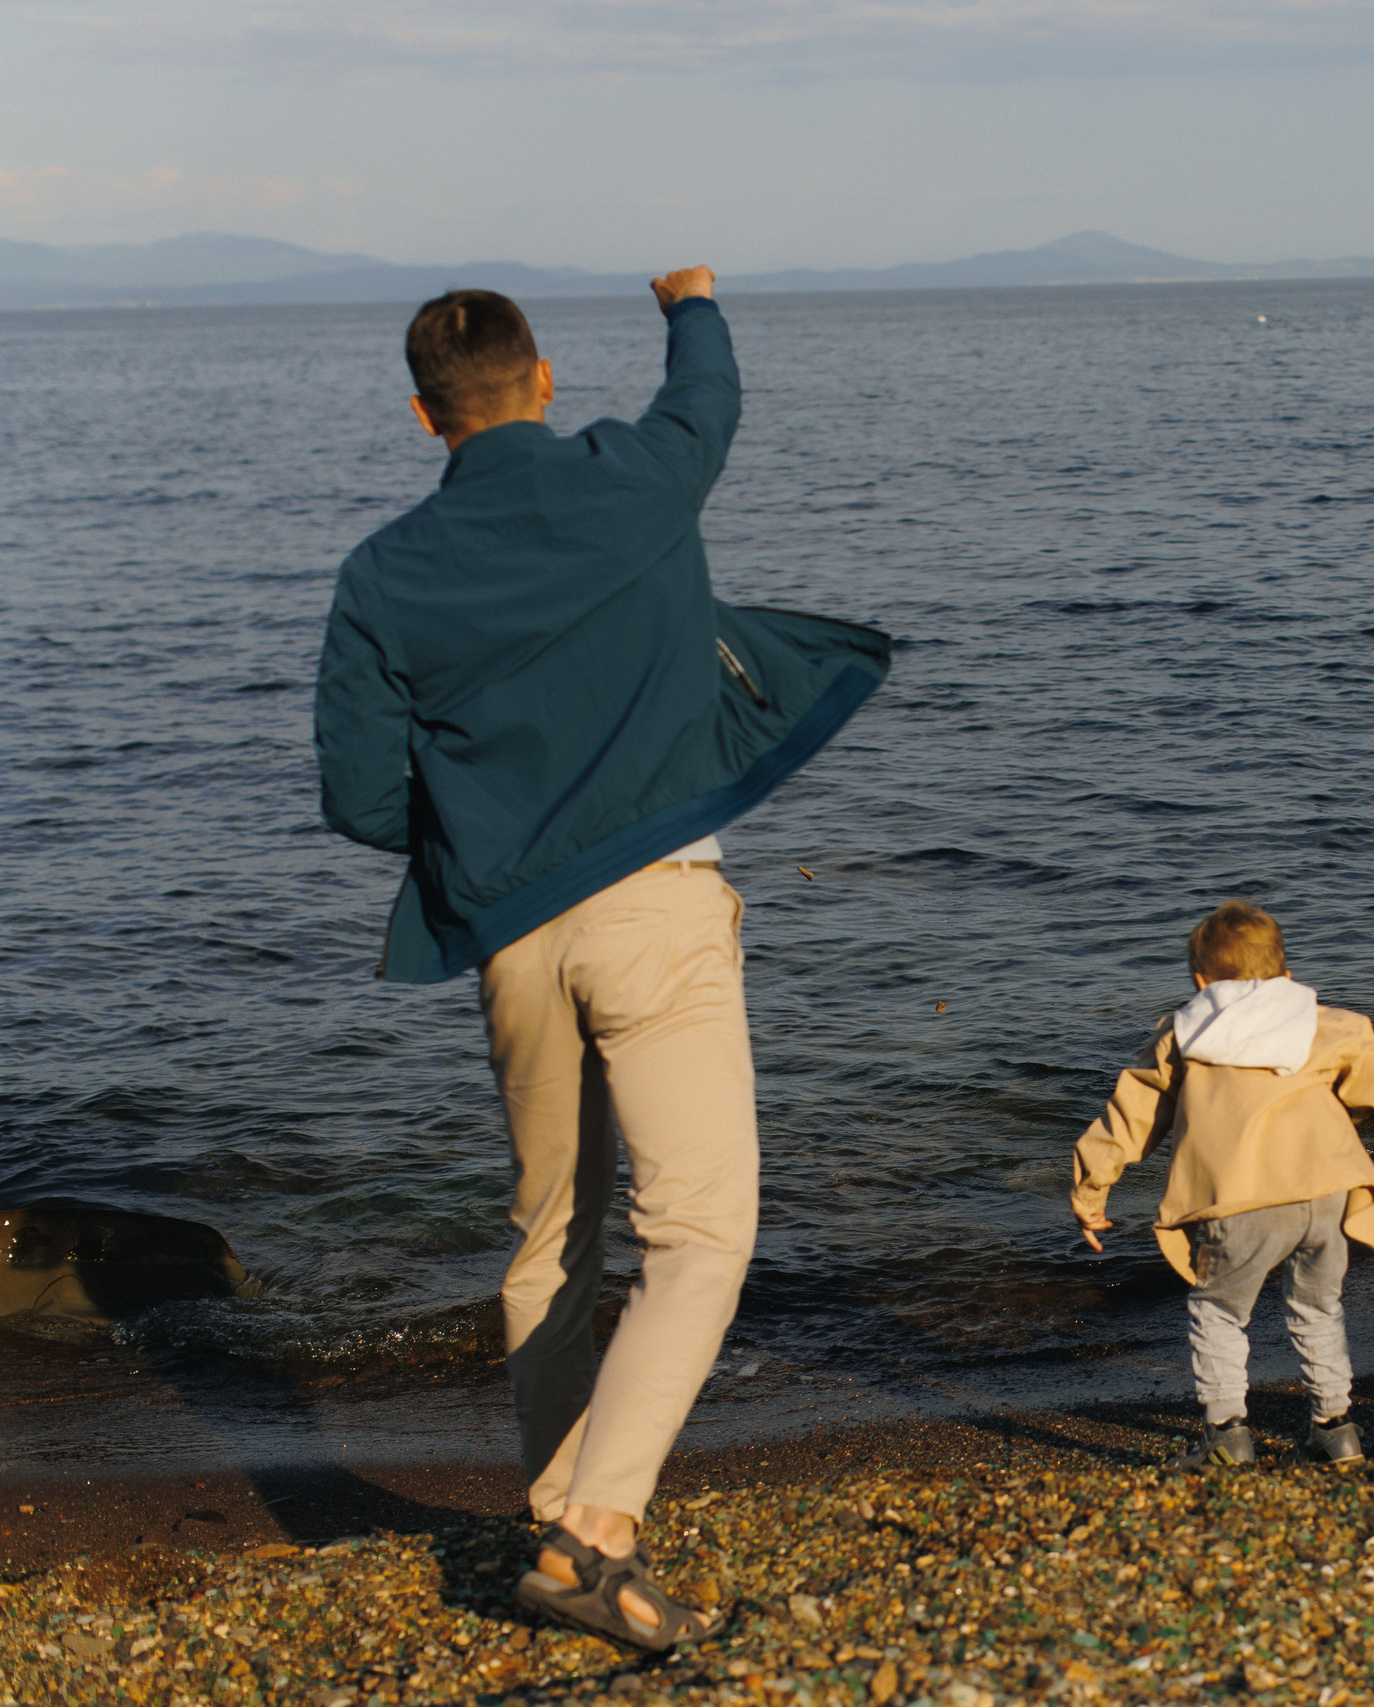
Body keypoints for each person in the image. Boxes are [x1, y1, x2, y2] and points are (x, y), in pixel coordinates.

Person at [312, 272, 891, 1648]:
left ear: (421, 415)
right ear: (547, 381)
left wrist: (476, 832)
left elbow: (354, 796)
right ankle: (595, 1532)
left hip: (514, 930)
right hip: (653, 909)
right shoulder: (634, 476)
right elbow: (710, 399)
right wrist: (690, 301)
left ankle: (558, 1512)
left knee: (553, 1236)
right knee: (701, 1235)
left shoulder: (385, 570)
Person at [1070, 902, 1374, 1470]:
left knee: (1218, 1311)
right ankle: (1335, 1430)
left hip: (1240, 1199)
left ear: (1199, 981)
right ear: (1285, 975)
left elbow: (1130, 1119)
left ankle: (1225, 1436)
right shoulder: (1324, 1022)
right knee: (1318, 1308)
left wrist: (1091, 1192)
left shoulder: (1183, 1035)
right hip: (1328, 1192)